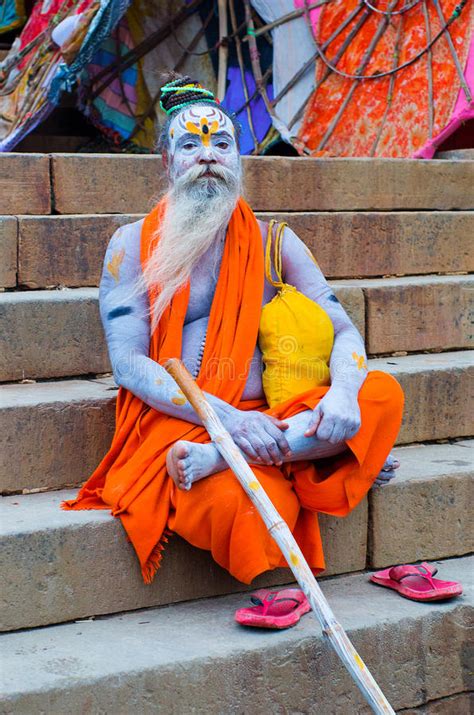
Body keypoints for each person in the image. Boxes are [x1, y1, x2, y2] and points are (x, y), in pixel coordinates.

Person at [63, 76, 404, 587]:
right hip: (183, 423)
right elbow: (129, 364)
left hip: (275, 418)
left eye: (222, 144)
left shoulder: (275, 243)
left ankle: (237, 457)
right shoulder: (130, 245)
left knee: (381, 394)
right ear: (167, 162)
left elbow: (343, 329)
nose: (208, 156)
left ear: (239, 159)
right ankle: (321, 453)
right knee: (246, 509)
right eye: (190, 144)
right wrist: (226, 420)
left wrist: (344, 397)